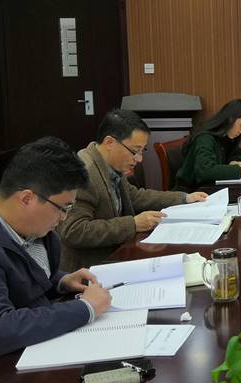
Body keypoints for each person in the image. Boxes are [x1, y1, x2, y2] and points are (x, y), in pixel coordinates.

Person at [0, 137, 112, 383]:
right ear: (27, 198)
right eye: (63, 208)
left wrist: (60, 281)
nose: (64, 218)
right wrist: (85, 308)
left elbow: (21, 279)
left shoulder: (27, 226)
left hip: (30, 354)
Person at [57, 109, 207, 271]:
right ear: (110, 142)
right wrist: (133, 224)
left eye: (142, 151)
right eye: (135, 151)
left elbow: (134, 196)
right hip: (89, 269)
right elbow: (74, 231)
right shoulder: (84, 173)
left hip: (117, 254)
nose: (139, 159)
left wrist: (184, 198)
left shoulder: (110, 164)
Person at [173, 99, 241, 191]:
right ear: (230, 119)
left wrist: (234, 161)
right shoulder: (204, 139)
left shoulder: (225, 137)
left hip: (209, 189)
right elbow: (205, 171)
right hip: (190, 193)